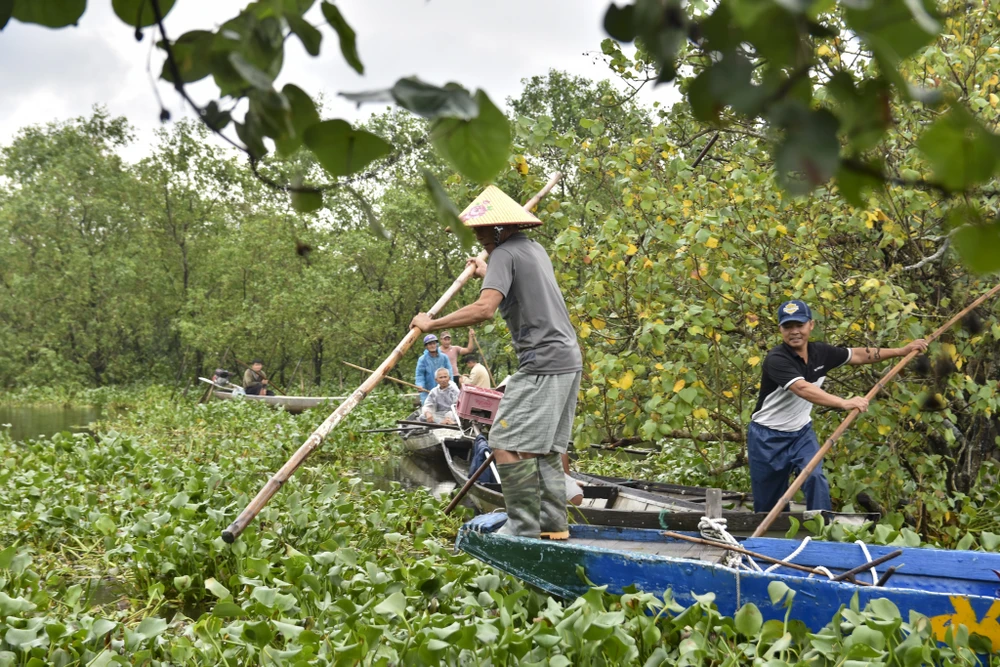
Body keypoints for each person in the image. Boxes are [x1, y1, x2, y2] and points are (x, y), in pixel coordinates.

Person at [411, 185, 582, 540]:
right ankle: (553, 526)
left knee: (503, 439)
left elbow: (484, 309)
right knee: (546, 448)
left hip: (542, 362)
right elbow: (512, 279)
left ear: (501, 230)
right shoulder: (532, 250)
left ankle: (521, 528)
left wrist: (432, 323)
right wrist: (484, 270)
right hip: (567, 357)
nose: (478, 238)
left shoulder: (505, 255)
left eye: (482, 233)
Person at [748, 299, 927, 513]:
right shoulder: (776, 359)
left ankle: (822, 531)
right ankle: (770, 542)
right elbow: (803, 389)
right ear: (780, 330)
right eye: (788, 327)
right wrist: (844, 402)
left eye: (799, 325)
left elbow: (858, 354)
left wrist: (900, 351)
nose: (794, 331)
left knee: (814, 476)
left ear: (811, 325)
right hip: (766, 438)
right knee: (770, 504)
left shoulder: (821, 353)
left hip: (800, 434)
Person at [414, 333, 453, 403]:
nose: (432, 346)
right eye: (429, 344)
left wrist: (450, 384)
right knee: (429, 410)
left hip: (443, 390)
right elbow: (420, 375)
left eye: (434, 343)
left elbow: (449, 372)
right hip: (428, 391)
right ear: (426, 346)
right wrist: (420, 385)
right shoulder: (422, 359)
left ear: (437, 344)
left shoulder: (444, 357)